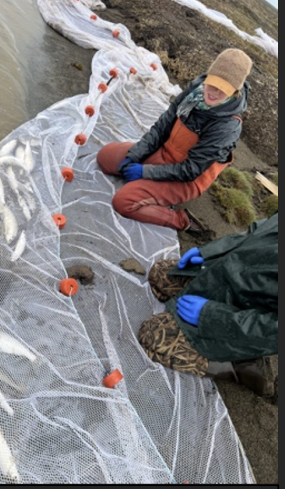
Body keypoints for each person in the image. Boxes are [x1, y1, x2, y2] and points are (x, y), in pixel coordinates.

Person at [95, 49, 251, 231]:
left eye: (222, 90)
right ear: (208, 77)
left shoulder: (227, 126)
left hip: (185, 178)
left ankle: (180, 219)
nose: (214, 93)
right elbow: (163, 126)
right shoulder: (195, 92)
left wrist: (144, 172)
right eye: (213, 84)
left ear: (234, 92)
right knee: (106, 156)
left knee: (123, 202)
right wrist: (134, 155)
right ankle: (145, 185)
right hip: (163, 153)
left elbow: (190, 170)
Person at [137, 214, 277, 397]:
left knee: (153, 336)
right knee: (161, 274)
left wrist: (210, 315)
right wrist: (208, 253)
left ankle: (241, 365)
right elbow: (256, 231)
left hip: (241, 321)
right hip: (226, 277)